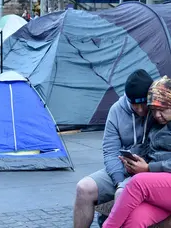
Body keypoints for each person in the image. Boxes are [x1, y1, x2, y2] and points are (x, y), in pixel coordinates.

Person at [73, 69, 154, 228]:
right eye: (134, 104)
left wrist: (144, 169)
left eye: (143, 103)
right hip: (120, 168)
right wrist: (118, 180)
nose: (139, 109)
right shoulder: (117, 110)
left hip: (148, 170)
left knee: (122, 194)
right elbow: (110, 151)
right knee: (83, 188)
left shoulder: (157, 110)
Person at [103, 76, 171, 228]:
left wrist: (148, 168)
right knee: (135, 219)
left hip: (161, 180)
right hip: (160, 186)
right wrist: (136, 160)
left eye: (163, 110)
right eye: (153, 110)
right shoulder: (156, 124)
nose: (157, 115)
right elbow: (150, 150)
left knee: (138, 183)